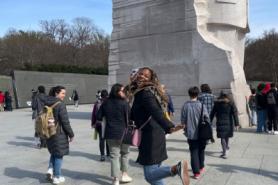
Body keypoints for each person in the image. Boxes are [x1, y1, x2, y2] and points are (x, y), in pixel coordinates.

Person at [131, 67, 189, 185]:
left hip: (150, 137)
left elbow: (156, 111)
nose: (141, 76)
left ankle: (176, 169)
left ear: (151, 79)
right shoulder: (143, 91)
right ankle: (175, 169)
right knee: (156, 176)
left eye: (146, 76)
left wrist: (169, 127)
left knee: (150, 175)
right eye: (140, 74)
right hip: (154, 134)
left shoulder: (145, 93)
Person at [96, 83, 132, 185]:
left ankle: (115, 179)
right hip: (124, 133)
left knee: (114, 156)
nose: (125, 92)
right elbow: (130, 117)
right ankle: (124, 175)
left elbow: (98, 116)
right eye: (123, 91)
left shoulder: (105, 103)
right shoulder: (125, 103)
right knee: (125, 154)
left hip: (110, 133)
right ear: (117, 92)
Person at [46, 86, 74, 184]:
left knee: (54, 153)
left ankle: (50, 170)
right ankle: (57, 177)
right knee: (59, 155)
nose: (64, 95)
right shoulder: (60, 104)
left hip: (49, 131)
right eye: (62, 93)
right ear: (56, 93)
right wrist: (71, 134)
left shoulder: (47, 102)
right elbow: (65, 121)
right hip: (58, 133)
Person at [181, 86, 209, 179]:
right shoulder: (201, 105)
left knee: (193, 152)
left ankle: (196, 172)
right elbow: (207, 118)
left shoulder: (185, 105)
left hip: (191, 133)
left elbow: (183, 121)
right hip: (202, 132)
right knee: (201, 150)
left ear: (189, 94)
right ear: (197, 94)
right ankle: (201, 166)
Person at [210, 92, 239, 159]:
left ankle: (225, 151)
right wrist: (237, 124)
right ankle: (226, 149)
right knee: (226, 135)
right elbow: (235, 114)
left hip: (220, 122)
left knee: (222, 137)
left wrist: (209, 121)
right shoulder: (231, 103)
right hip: (229, 122)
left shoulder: (217, 104)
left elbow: (212, 113)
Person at [91, 89, 110, 161]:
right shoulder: (110, 102)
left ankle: (102, 155)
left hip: (99, 123)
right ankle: (108, 153)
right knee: (108, 139)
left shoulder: (97, 103)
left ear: (101, 95)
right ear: (107, 95)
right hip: (108, 124)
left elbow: (93, 114)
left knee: (101, 139)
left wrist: (93, 123)